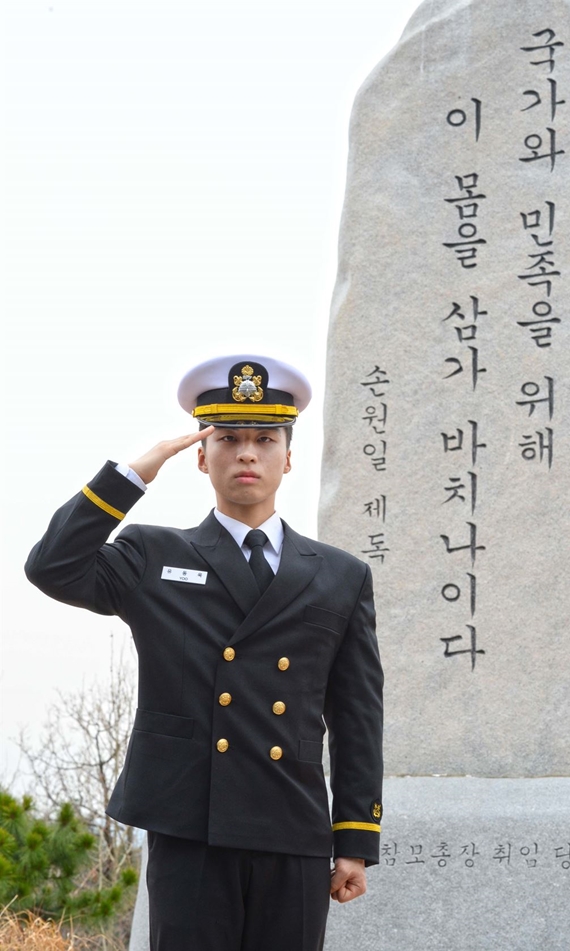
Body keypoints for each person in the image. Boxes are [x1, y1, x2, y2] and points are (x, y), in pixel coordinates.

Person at [25, 354, 384, 951]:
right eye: (228, 439)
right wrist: (131, 475)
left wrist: (354, 840)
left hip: (292, 825)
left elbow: (357, 714)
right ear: (201, 455)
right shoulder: (152, 555)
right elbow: (52, 566)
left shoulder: (340, 576)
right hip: (190, 822)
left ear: (288, 457)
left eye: (265, 440)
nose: (247, 453)